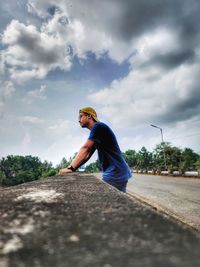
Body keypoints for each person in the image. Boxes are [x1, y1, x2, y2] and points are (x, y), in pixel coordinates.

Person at [59, 107, 132, 193]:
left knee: (106, 200)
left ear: (89, 116)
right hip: (119, 170)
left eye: (81, 116)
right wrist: (74, 168)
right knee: (119, 202)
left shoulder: (98, 126)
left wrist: (70, 168)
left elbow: (85, 148)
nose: (79, 120)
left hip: (115, 171)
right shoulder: (97, 132)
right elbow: (87, 154)